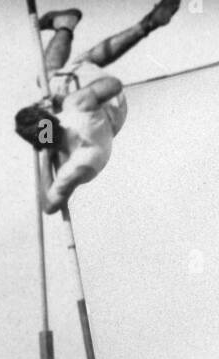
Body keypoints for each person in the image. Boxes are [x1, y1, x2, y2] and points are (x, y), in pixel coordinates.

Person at [15, 2, 180, 213]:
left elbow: (49, 206)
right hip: (102, 104)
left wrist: (46, 154)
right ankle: (72, 24)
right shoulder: (74, 105)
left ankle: (68, 24)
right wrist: (57, 99)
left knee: (77, 65)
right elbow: (113, 84)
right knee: (52, 75)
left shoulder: (74, 165)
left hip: (109, 127)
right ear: (53, 117)